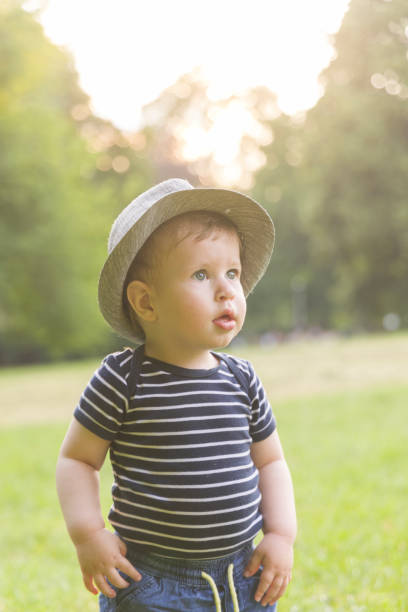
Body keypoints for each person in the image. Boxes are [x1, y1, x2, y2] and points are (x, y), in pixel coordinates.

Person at [56, 178, 297, 611]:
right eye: (202, 274)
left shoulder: (242, 379)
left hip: (241, 576)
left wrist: (280, 534)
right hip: (151, 581)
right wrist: (89, 535)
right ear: (146, 302)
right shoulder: (123, 380)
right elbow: (77, 460)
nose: (226, 289)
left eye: (233, 273)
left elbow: (271, 461)